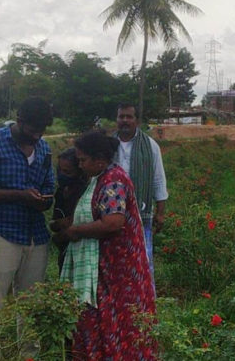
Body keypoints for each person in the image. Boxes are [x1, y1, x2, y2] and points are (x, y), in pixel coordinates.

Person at [59, 130, 156, 360]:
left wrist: (75, 231)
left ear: (99, 160)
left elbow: (113, 222)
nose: (79, 165)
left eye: (83, 160)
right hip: (108, 266)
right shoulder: (101, 178)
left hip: (120, 268)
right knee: (106, 319)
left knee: (121, 321)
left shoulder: (113, 180)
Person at [0, 97, 55, 311]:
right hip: (0, 233)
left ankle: (27, 347)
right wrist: (19, 195)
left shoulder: (43, 148)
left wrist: (44, 200)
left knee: (31, 307)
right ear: (19, 120)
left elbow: (49, 185)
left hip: (36, 235)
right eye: (34, 129)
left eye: (42, 130)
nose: (37, 135)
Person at [114, 103, 168, 292]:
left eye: (129, 117)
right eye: (122, 117)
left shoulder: (150, 146)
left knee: (142, 263)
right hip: (111, 216)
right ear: (117, 119)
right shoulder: (107, 146)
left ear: (137, 120)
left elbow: (158, 180)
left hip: (141, 214)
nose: (125, 121)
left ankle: (144, 308)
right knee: (115, 263)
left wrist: (160, 213)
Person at [50, 148, 88, 274]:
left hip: (82, 252)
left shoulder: (84, 192)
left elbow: (77, 222)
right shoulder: (61, 192)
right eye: (59, 170)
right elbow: (55, 223)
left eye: (67, 172)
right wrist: (60, 224)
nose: (61, 175)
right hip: (64, 251)